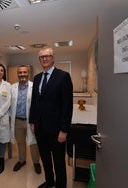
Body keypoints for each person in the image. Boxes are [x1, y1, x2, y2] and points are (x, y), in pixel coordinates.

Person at [29, 47, 73, 188]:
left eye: (47, 56)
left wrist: (64, 130)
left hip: (56, 130)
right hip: (40, 128)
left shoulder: (63, 76)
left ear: (53, 58)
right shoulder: (36, 78)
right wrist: (32, 122)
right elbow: (35, 102)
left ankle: (60, 185)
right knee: (46, 159)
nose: (45, 59)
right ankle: (49, 182)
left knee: (59, 162)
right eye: (42, 57)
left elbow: (67, 106)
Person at [10, 65, 42, 174]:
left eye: (24, 72)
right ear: (17, 74)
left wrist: (36, 121)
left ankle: (36, 162)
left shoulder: (34, 86)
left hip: (31, 121)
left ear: (28, 73)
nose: (22, 74)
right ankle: (22, 160)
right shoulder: (12, 87)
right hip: (17, 120)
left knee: (33, 142)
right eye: (20, 72)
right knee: (20, 142)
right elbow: (9, 104)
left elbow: (38, 105)